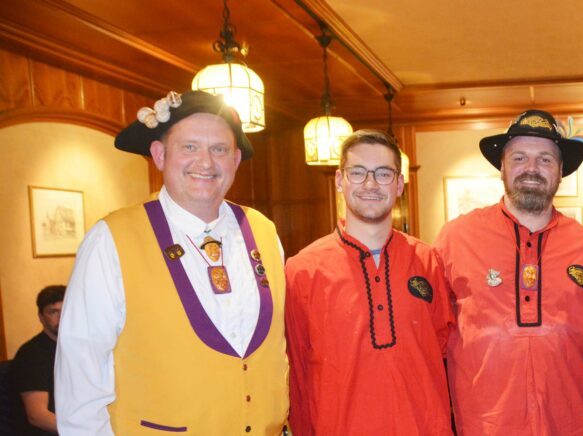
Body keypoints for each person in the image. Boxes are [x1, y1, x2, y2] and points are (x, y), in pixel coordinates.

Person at [55, 91, 288, 435]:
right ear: (160, 154)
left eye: (219, 149)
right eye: (190, 147)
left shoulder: (264, 231)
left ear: (236, 159)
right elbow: (81, 372)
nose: (205, 162)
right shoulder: (110, 239)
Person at [434, 109, 583, 435]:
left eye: (545, 160)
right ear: (502, 167)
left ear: (561, 171)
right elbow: (431, 338)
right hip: (482, 427)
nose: (531, 168)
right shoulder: (455, 238)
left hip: (566, 427)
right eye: (519, 158)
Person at [285, 129, 454, 435]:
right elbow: (295, 374)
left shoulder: (428, 262)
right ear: (340, 180)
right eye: (358, 172)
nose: (370, 184)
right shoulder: (301, 271)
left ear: (399, 184)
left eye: (383, 173)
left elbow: (446, 353)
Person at [9, 285, 65, 435]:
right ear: (41, 317)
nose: (61, 317)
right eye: (53, 312)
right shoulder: (31, 355)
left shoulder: (76, 349)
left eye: (66, 310)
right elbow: (38, 416)